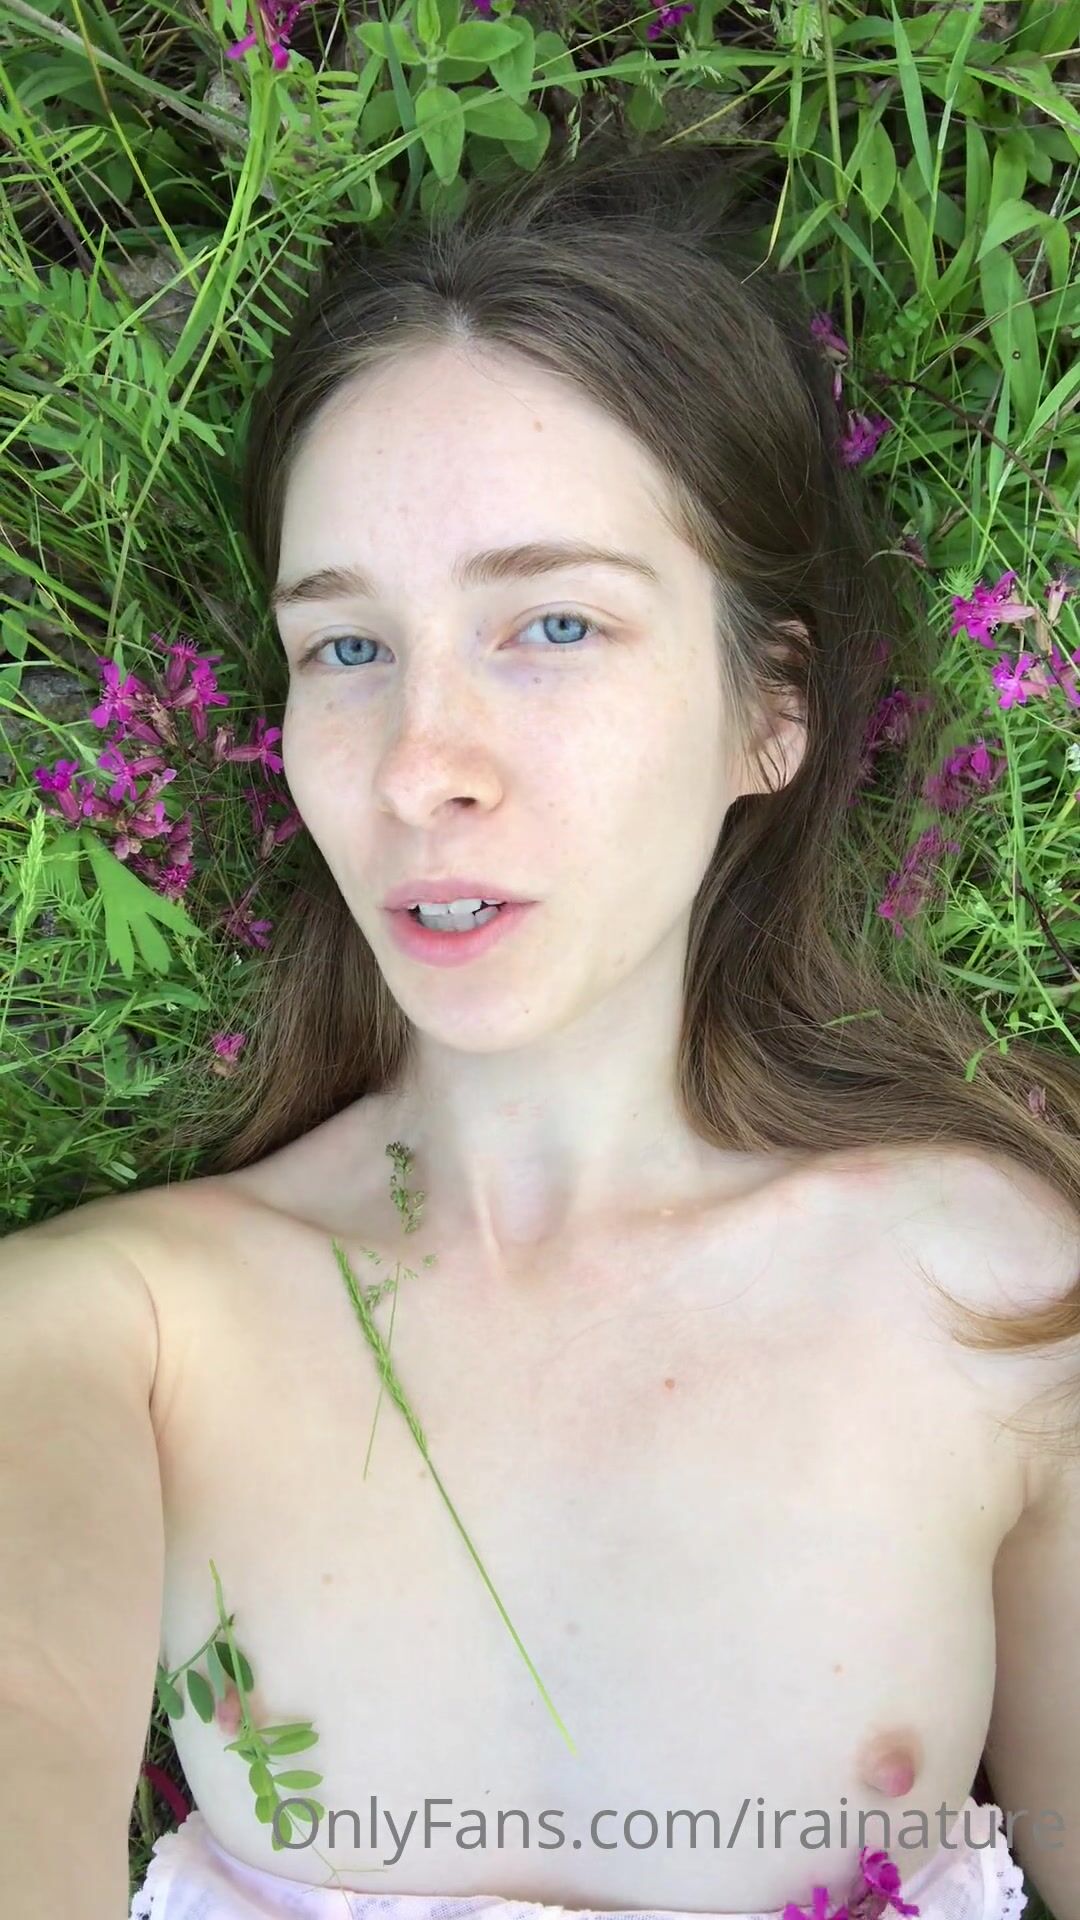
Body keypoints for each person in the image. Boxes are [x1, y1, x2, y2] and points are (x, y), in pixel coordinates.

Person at [2, 132, 1078, 1920]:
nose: (419, 767)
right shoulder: (111, 1334)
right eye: (348, 649)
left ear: (772, 711)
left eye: (554, 624)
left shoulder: (1008, 1306)